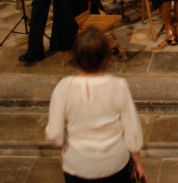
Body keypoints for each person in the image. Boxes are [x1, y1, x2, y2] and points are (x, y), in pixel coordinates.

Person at [46, 27, 145, 182]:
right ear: (107, 58)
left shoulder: (64, 87)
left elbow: (54, 134)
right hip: (114, 163)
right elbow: (132, 129)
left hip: (77, 165)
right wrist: (137, 161)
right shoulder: (118, 85)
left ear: (76, 57)